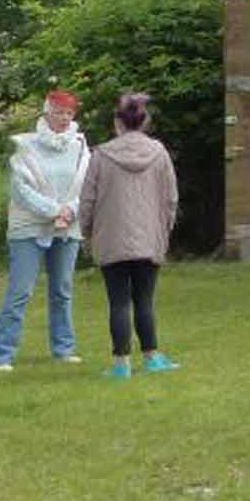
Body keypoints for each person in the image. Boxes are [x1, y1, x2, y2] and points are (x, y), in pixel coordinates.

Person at [78, 92, 181, 379]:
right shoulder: (159, 153)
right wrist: (164, 229)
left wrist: (86, 231)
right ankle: (152, 357)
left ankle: (121, 364)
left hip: (111, 238)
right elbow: (171, 198)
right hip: (150, 238)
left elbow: (87, 199)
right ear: (144, 121)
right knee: (145, 301)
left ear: (117, 123)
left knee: (119, 302)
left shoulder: (101, 155)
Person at [0, 89, 91, 371]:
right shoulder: (26, 146)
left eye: (69, 114)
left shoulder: (80, 146)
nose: (63, 118)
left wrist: (69, 210)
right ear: (47, 111)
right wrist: (54, 210)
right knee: (20, 291)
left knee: (62, 290)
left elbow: (88, 185)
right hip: (29, 227)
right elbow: (21, 190)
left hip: (68, 226)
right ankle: (2, 354)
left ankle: (64, 348)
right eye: (59, 112)